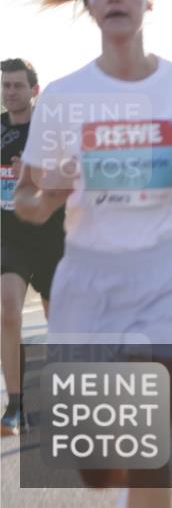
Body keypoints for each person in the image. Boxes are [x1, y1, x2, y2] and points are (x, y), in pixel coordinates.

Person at [15, 0, 172, 507]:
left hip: (170, 271)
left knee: (147, 445)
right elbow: (25, 200)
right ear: (89, 6)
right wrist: (51, 194)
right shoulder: (64, 99)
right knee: (98, 468)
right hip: (91, 279)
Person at [1, 58, 66, 435]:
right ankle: (15, 405)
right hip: (10, 236)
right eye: (5, 86)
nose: (10, 92)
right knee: (8, 311)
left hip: (52, 236)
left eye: (17, 86)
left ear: (34, 91)